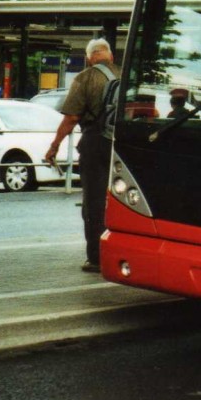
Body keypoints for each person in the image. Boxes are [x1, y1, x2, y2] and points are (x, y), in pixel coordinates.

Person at [43, 38, 120, 273]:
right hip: (122, 146)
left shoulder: (85, 78)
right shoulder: (126, 76)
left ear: (89, 58)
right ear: (111, 57)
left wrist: (54, 146)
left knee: (94, 202)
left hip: (96, 143)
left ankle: (96, 258)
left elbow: (72, 118)